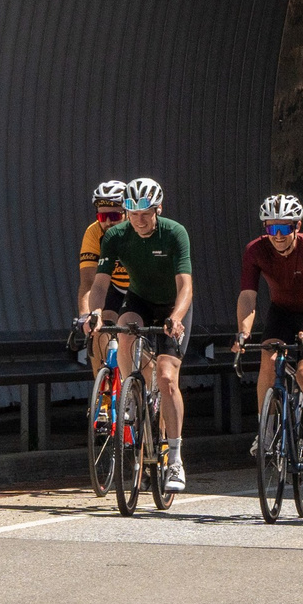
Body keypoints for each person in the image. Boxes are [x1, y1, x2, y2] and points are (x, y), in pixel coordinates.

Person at [81, 177, 194, 489]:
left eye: (146, 213)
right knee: (125, 328)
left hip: (172, 305)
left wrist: (176, 317)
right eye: (133, 213)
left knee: (168, 377)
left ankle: (175, 459)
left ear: (158, 209)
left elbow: (186, 284)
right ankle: (132, 393)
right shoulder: (116, 234)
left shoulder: (174, 233)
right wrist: (94, 312)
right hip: (140, 299)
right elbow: (100, 283)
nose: (139, 220)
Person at [236, 193, 303, 480]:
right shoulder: (255, 250)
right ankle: (265, 432)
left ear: (297, 227)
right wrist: (243, 332)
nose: (277, 236)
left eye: (284, 229)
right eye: (271, 229)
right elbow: (248, 296)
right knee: (268, 355)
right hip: (281, 310)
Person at [78, 181, 129, 378]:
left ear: (127, 213)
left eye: (114, 216)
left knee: (134, 339)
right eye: (102, 216)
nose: (107, 222)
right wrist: (85, 317)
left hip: (142, 289)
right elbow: (88, 283)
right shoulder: (94, 233)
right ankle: (104, 395)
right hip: (114, 288)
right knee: (98, 329)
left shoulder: (138, 229)